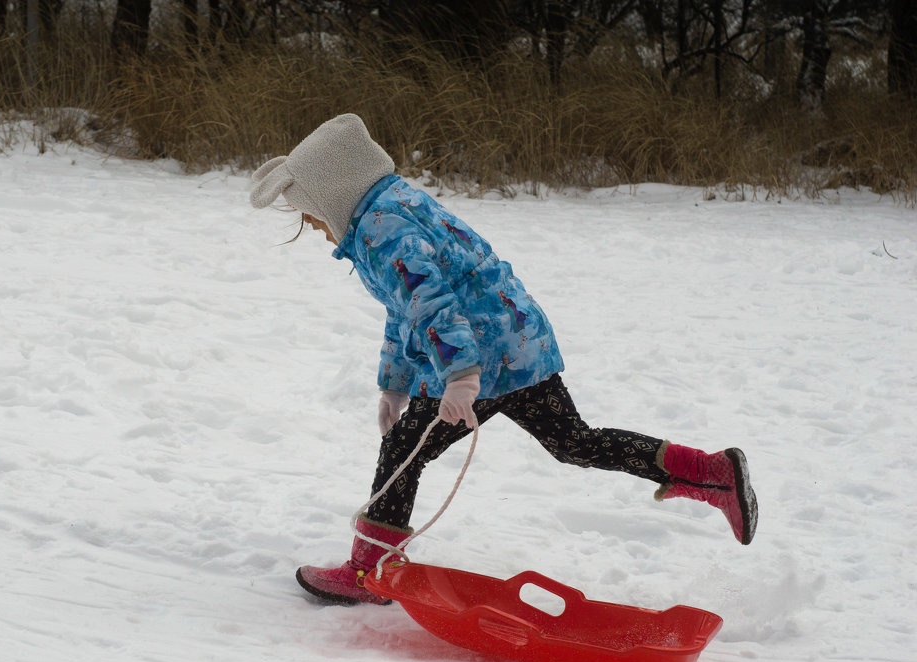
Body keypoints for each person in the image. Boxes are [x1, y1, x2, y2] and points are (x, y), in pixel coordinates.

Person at [249, 114, 758, 606]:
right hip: (518, 342)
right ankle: (711, 473)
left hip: (482, 358)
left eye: (309, 212)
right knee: (573, 441)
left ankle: (369, 570)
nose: (314, 227)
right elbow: (404, 307)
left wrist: (462, 378)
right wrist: (396, 383)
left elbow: (432, 302)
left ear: (334, 193)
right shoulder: (395, 206)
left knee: (404, 449)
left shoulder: (381, 230)